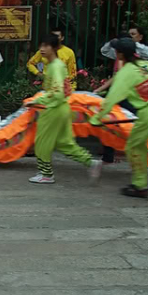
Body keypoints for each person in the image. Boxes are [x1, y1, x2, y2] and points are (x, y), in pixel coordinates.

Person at [89, 37, 148, 198]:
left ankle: (139, 185)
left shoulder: (126, 72)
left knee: (134, 146)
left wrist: (97, 119)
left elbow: (113, 97)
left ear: (120, 54)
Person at [27, 35, 102, 184]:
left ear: (54, 48)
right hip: (62, 108)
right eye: (41, 45)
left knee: (41, 141)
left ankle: (46, 174)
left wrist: (37, 100)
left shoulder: (55, 66)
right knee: (63, 142)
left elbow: (57, 92)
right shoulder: (57, 65)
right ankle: (90, 162)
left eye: (46, 46)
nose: (42, 49)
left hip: (53, 108)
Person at [94, 26, 148, 164]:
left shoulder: (143, 56)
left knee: (136, 123)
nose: (130, 37)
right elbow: (105, 53)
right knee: (109, 122)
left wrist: (131, 44)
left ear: (140, 37)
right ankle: (108, 156)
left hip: (133, 95)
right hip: (119, 92)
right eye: (129, 35)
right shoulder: (121, 55)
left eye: (133, 35)